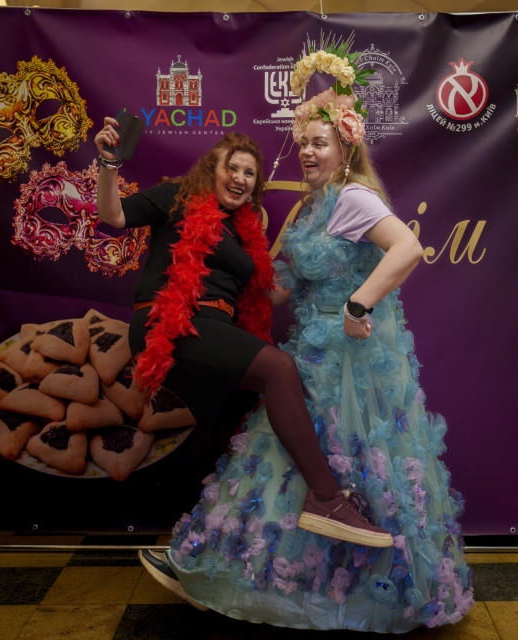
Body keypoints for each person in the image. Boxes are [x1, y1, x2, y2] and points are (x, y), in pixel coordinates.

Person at [151, 38, 474, 632]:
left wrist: (358, 301)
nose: (306, 153)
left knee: (361, 463)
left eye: (318, 143)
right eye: (301, 143)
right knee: (289, 457)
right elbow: (277, 291)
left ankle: (367, 594)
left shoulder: (353, 197)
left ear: (345, 147)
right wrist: (207, 290)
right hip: (308, 355)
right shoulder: (308, 209)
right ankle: (276, 582)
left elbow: (408, 249)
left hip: (352, 360)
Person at [92, 127, 394, 581]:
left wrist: (334, 278)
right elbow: (113, 214)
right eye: (230, 168)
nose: (239, 178)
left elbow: (270, 290)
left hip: (217, 330)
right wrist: (110, 165)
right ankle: (327, 497)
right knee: (278, 368)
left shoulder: (247, 229)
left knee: (237, 438)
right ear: (210, 169)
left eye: (249, 173)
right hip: (170, 323)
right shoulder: (176, 198)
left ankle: (198, 558)